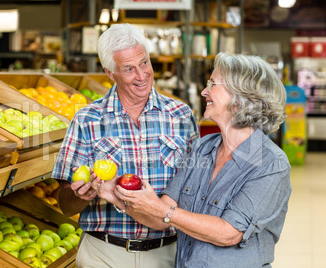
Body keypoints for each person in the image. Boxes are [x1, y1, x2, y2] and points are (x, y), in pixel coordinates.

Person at [93, 52, 292, 267]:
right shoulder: (202, 149)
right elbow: (161, 216)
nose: (204, 91)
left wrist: (162, 211)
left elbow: (229, 233)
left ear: (240, 97)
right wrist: (114, 196)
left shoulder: (271, 163)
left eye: (213, 84)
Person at [51, 23, 199, 268]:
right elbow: (65, 205)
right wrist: (81, 195)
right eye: (129, 69)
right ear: (110, 73)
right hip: (104, 253)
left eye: (144, 63)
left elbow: (196, 188)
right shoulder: (87, 119)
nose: (141, 75)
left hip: (168, 253)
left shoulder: (181, 115)